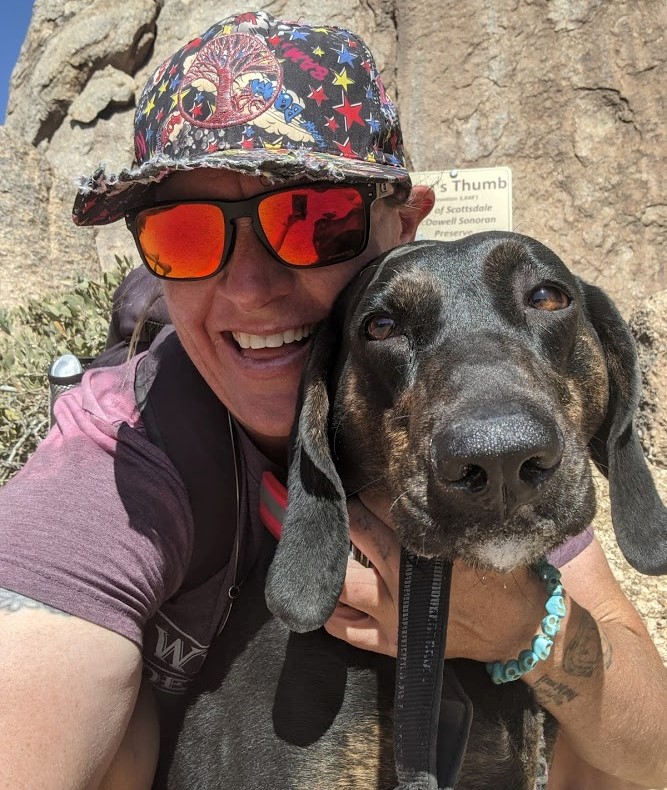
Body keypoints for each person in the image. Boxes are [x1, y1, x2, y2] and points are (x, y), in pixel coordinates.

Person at [0, 10, 665, 790]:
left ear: (404, 224)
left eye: (312, 221)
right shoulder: (109, 468)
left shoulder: (474, 411)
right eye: (183, 236)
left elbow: (650, 748)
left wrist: (526, 631)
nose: (248, 291)